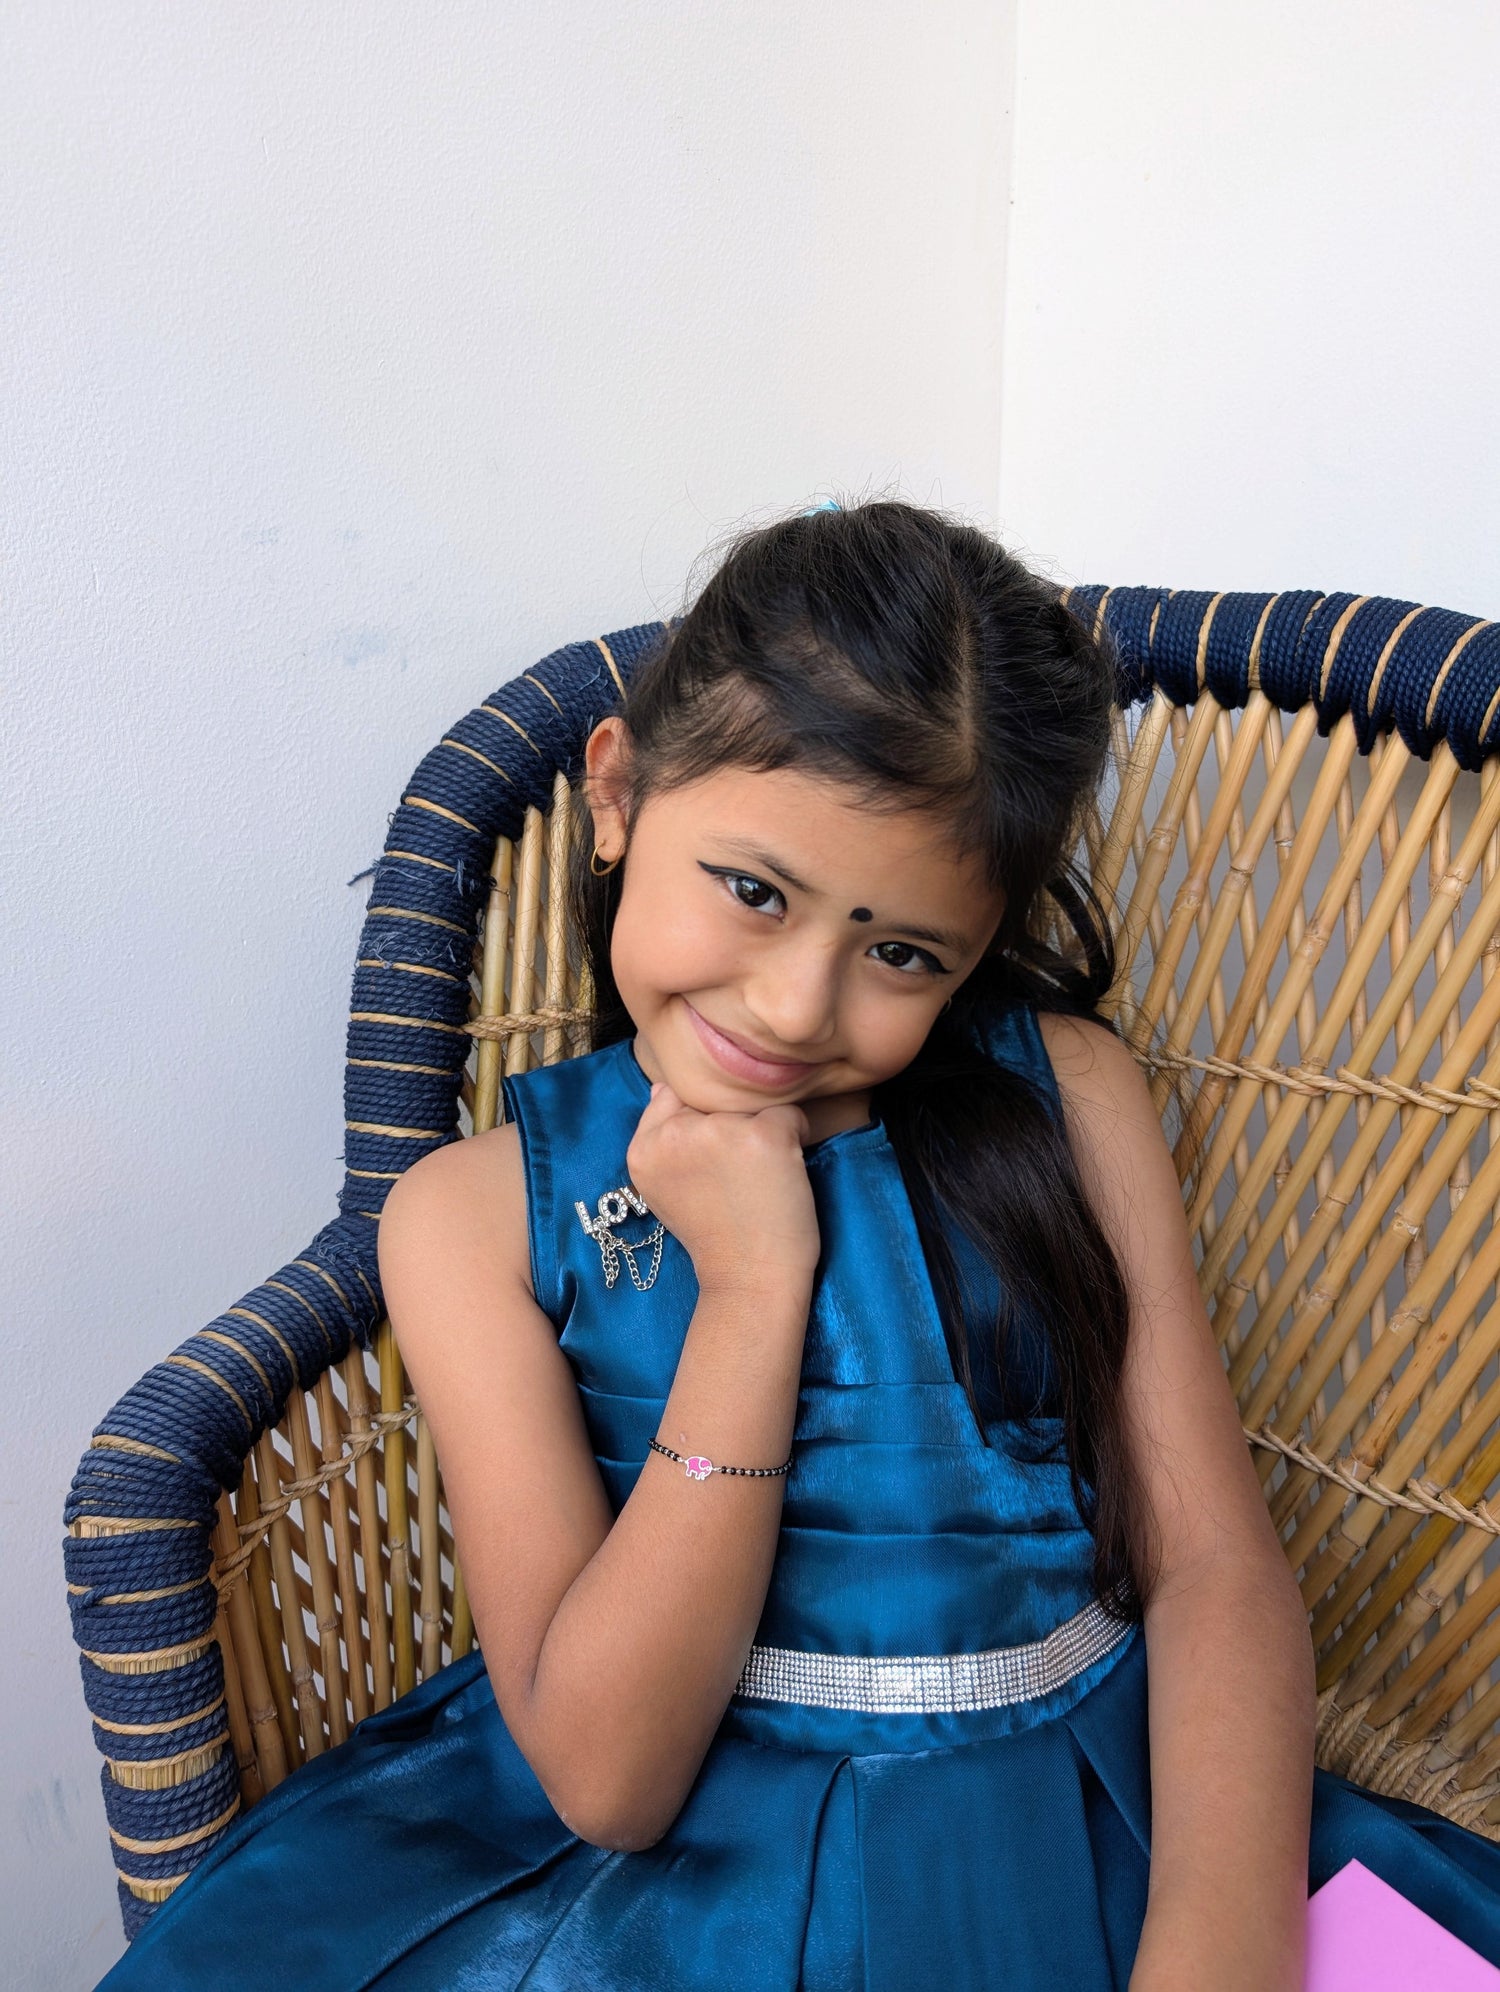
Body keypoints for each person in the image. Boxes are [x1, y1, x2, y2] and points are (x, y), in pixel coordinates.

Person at [95, 499, 1500, 1991]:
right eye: (753, 892)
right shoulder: (473, 1218)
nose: (793, 1008)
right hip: (666, 1876)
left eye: (901, 953)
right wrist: (754, 1293)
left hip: (1091, 1817)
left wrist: (1219, 1946)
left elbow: (1213, 1562)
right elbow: (607, 1780)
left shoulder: (1063, 1100)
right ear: (621, 794)